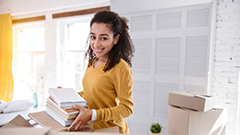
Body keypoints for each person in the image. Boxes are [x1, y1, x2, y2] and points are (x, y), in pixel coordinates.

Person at [67, 10, 135, 134]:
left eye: (103, 38)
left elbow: (126, 109)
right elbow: (90, 93)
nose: (96, 44)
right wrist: (67, 96)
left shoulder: (121, 68)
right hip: (92, 130)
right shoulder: (91, 63)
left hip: (113, 131)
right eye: (93, 37)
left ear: (115, 39)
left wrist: (93, 114)